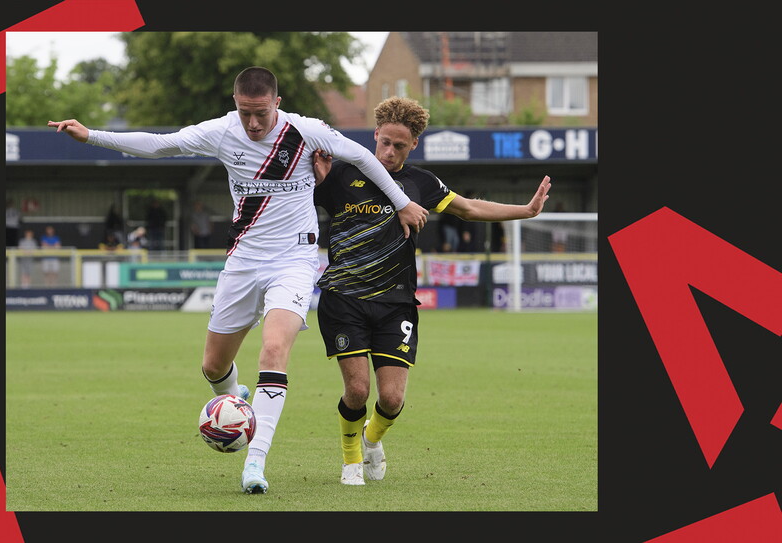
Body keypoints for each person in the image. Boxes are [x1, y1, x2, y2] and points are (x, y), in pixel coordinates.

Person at [48, 66, 428, 494]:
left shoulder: (305, 130)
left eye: (261, 113)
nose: (253, 123)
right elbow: (159, 145)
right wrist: (92, 136)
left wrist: (401, 202)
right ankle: (233, 396)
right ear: (235, 104)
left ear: (277, 104)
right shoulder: (221, 131)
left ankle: (255, 462)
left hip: (294, 260)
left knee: (274, 349)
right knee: (213, 366)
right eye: (245, 113)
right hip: (243, 261)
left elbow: (361, 157)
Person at [311, 96, 551, 485]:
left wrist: (525, 211)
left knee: (392, 400)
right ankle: (351, 460)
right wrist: (316, 176)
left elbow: (469, 208)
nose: (389, 152)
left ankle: (372, 440)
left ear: (414, 145)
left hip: (396, 304)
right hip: (344, 298)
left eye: (399, 146)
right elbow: (289, 197)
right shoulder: (339, 175)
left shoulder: (421, 183)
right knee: (357, 390)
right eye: (384, 142)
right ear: (375, 134)